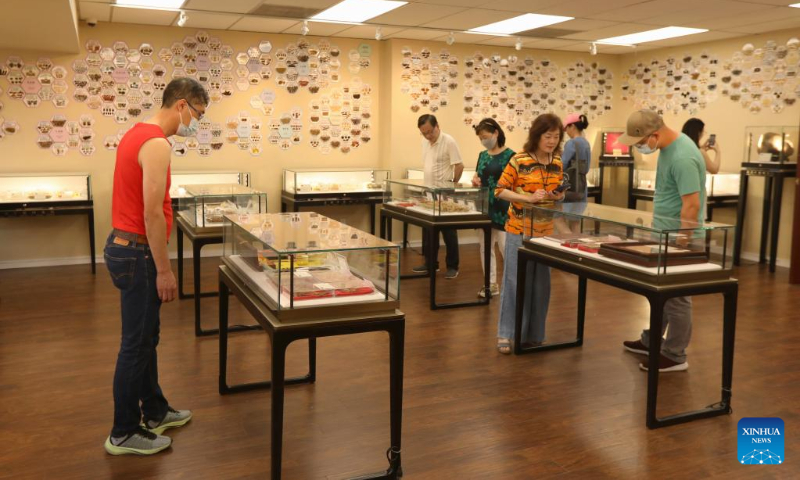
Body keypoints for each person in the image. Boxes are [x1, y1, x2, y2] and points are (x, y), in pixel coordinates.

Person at [104, 78, 208, 455]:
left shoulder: (137, 132)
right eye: (197, 114)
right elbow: (151, 213)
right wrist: (164, 270)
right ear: (181, 106)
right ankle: (123, 431)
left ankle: (156, 411)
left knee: (146, 338)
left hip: (124, 245)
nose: (195, 123)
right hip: (138, 252)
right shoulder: (157, 144)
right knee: (135, 344)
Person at [619, 109, 706, 373]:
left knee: (677, 298)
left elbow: (691, 205)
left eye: (642, 143)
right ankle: (652, 340)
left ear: (654, 135)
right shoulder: (669, 149)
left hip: (680, 237)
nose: (642, 148)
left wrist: (681, 242)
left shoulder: (683, 156)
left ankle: (675, 354)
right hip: (665, 234)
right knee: (663, 294)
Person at [495, 114, 565, 354]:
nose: (552, 141)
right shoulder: (519, 159)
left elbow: (558, 192)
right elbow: (500, 191)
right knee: (515, 281)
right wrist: (527, 198)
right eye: (548, 136)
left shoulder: (557, 161)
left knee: (541, 284)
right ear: (537, 135)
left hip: (546, 233)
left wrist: (559, 196)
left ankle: (535, 334)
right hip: (519, 229)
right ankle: (506, 333)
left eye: (556, 137)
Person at [414, 114, 464, 279]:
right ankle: (430, 264)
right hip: (428, 192)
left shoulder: (448, 141)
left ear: (437, 126)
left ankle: (452, 266)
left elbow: (459, 165)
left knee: (449, 231)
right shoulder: (424, 143)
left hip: (444, 193)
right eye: (424, 133)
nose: (428, 136)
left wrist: (452, 184)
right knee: (428, 231)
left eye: (430, 132)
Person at [471, 118, 514, 298]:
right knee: (485, 247)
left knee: (506, 247)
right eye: (480, 137)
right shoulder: (483, 155)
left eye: (485, 136)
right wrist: (475, 180)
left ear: (496, 133)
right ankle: (490, 284)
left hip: (504, 208)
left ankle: (513, 283)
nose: (483, 140)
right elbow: (477, 175)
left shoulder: (511, 156)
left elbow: (515, 182)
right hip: (484, 206)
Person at [561, 113, 592, 202]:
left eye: (567, 128)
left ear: (572, 126)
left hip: (571, 186)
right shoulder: (586, 143)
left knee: (568, 213)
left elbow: (562, 165)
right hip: (582, 185)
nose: (566, 131)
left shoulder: (571, 143)